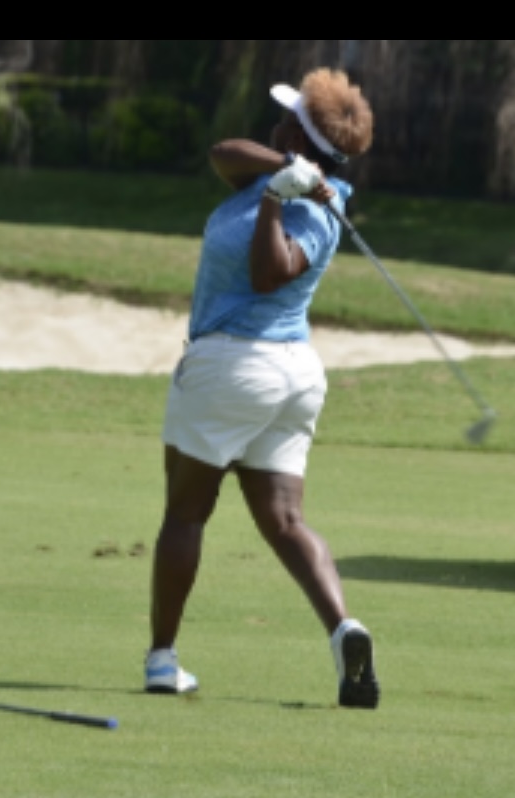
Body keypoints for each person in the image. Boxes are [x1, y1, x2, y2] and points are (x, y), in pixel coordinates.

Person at [146, 68, 380, 710]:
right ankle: (344, 630)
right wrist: (283, 170)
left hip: (234, 366)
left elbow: (268, 273)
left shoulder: (321, 211)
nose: (273, 126)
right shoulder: (264, 172)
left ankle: (162, 659)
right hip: (287, 376)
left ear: (300, 138)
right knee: (284, 522)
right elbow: (222, 152)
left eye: (285, 123)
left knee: (185, 513)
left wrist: (281, 195)